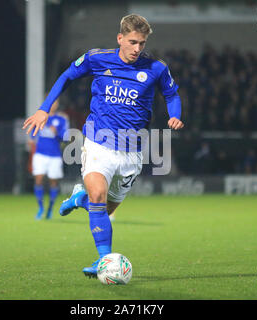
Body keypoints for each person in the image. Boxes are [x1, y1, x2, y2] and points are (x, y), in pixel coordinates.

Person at [23, 14, 184, 277]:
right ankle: (104, 260)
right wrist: (43, 109)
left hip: (133, 151)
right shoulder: (96, 58)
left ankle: (79, 198)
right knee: (98, 198)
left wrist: (175, 114)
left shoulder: (155, 67)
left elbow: (171, 93)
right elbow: (66, 76)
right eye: (132, 42)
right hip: (99, 143)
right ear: (120, 38)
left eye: (141, 43)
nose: (137, 49)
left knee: (105, 208)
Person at [28, 99, 69, 220]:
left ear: (57, 105)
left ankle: (50, 208)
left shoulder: (61, 119)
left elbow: (66, 137)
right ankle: (40, 208)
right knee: (38, 180)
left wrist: (57, 133)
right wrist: (31, 140)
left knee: (53, 182)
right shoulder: (41, 117)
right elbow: (33, 135)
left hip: (55, 155)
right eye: (51, 102)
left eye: (55, 103)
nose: (53, 105)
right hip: (40, 154)